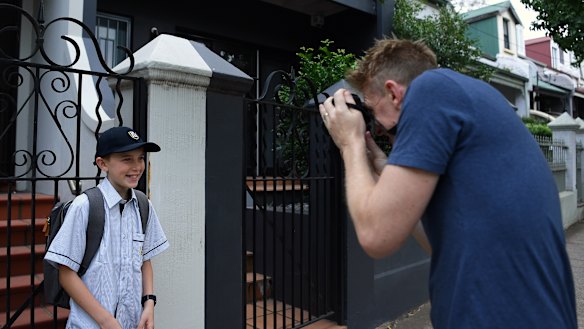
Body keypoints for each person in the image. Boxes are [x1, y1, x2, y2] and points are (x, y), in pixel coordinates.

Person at [319, 38, 577, 328]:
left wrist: (350, 143)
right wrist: (382, 169)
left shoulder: (431, 89)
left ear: (393, 93)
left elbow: (376, 236)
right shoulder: (471, 102)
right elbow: (444, 244)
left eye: (371, 107)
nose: (375, 125)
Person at [44, 126, 169, 329]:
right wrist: (107, 321)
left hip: (132, 323)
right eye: (127, 159)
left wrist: (149, 303)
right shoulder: (85, 206)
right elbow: (66, 273)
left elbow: (145, 259)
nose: (137, 166)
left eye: (140, 158)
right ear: (103, 163)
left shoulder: (143, 205)